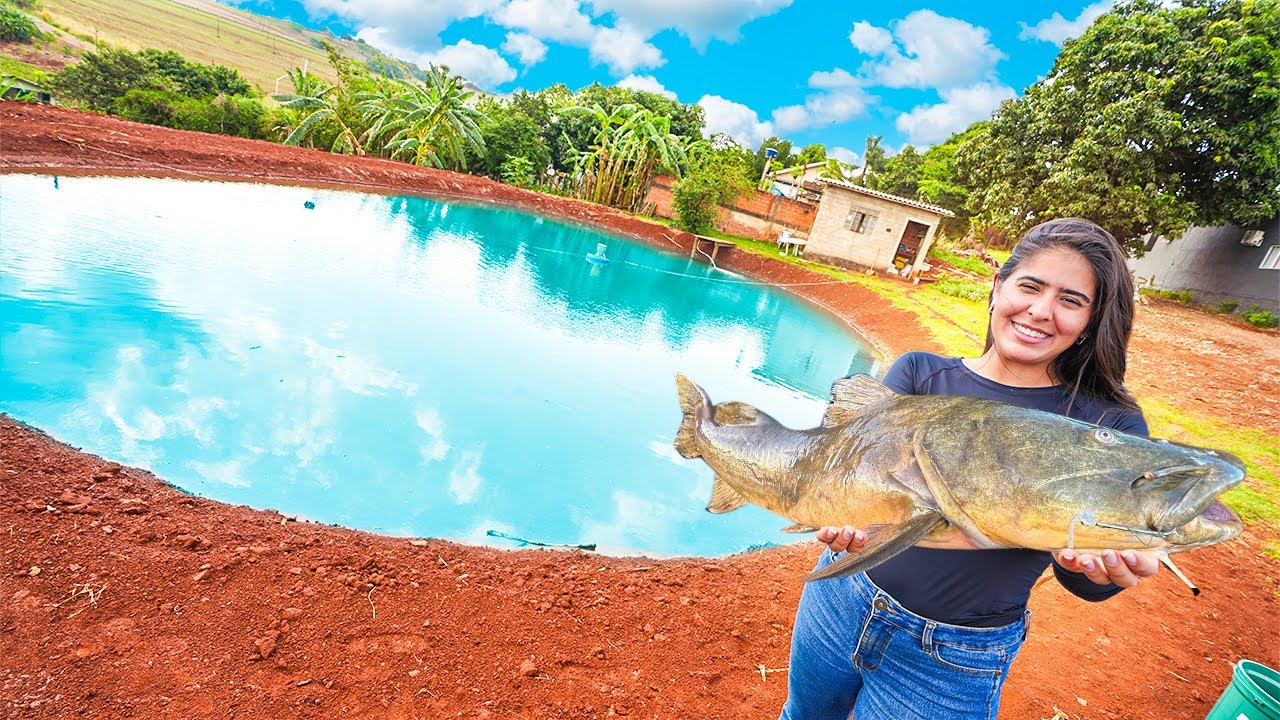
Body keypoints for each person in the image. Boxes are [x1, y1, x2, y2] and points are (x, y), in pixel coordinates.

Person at [779, 218, 1161, 720]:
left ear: (1091, 321)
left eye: (1071, 300)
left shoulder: (1109, 424)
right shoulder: (918, 374)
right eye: (1030, 286)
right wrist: (841, 517)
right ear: (998, 288)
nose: (1040, 311)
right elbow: (846, 470)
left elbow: (1089, 581)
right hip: (842, 595)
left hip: (953, 659)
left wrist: (1103, 571)